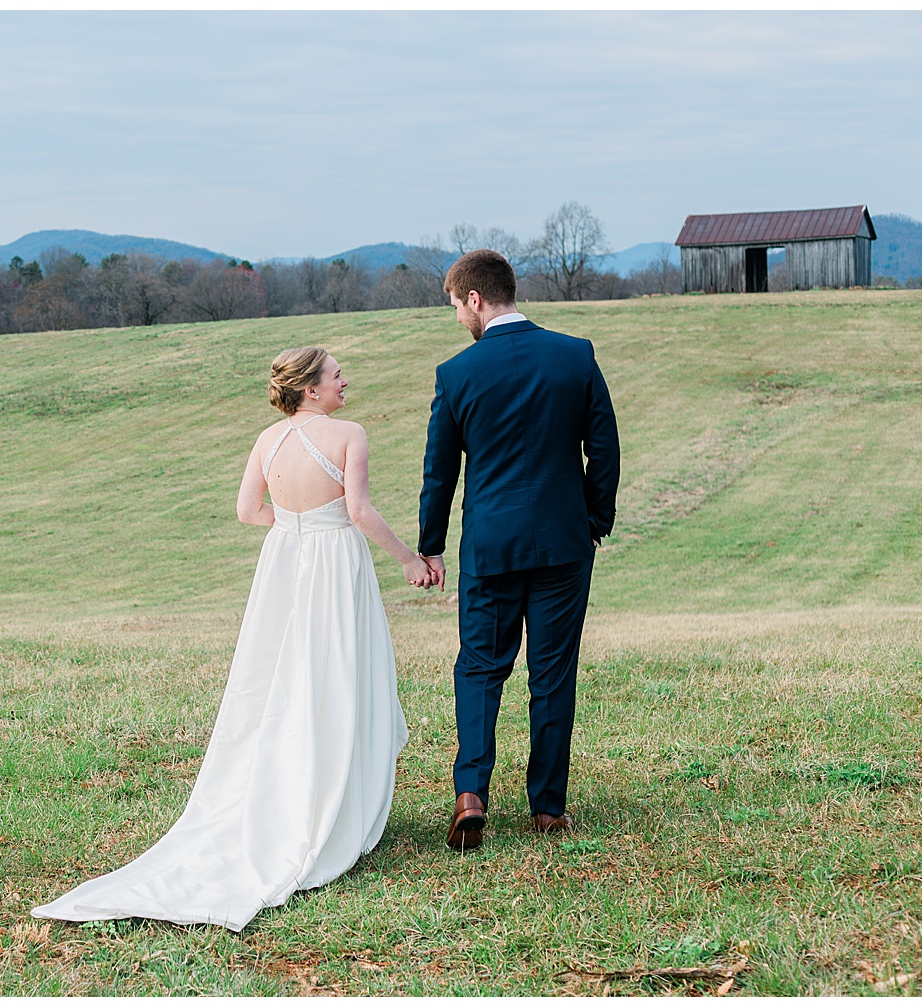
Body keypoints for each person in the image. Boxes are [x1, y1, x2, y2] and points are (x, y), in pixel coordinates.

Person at [33, 347, 425, 931]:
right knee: (336, 671)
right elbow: (360, 511)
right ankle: (331, 798)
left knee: (281, 677)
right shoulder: (350, 434)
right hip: (335, 564)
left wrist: (296, 524)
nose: (346, 381)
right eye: (336, 375)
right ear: (312, 389)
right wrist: (408, 559)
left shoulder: (267, 440)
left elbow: (248, 511)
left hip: (284, 564)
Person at [417, 249, 620, 851]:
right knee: (552, 672)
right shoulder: (574, 355)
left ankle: (471, 793)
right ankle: (549, 808)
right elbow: (604, 447)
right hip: (564, 541)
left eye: (456, 306)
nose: (458, 317)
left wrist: (431, 545)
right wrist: (592, 520)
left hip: (490, 546)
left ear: (475, 299)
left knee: (480, 667)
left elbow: (439, 474)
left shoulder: (456, 375)